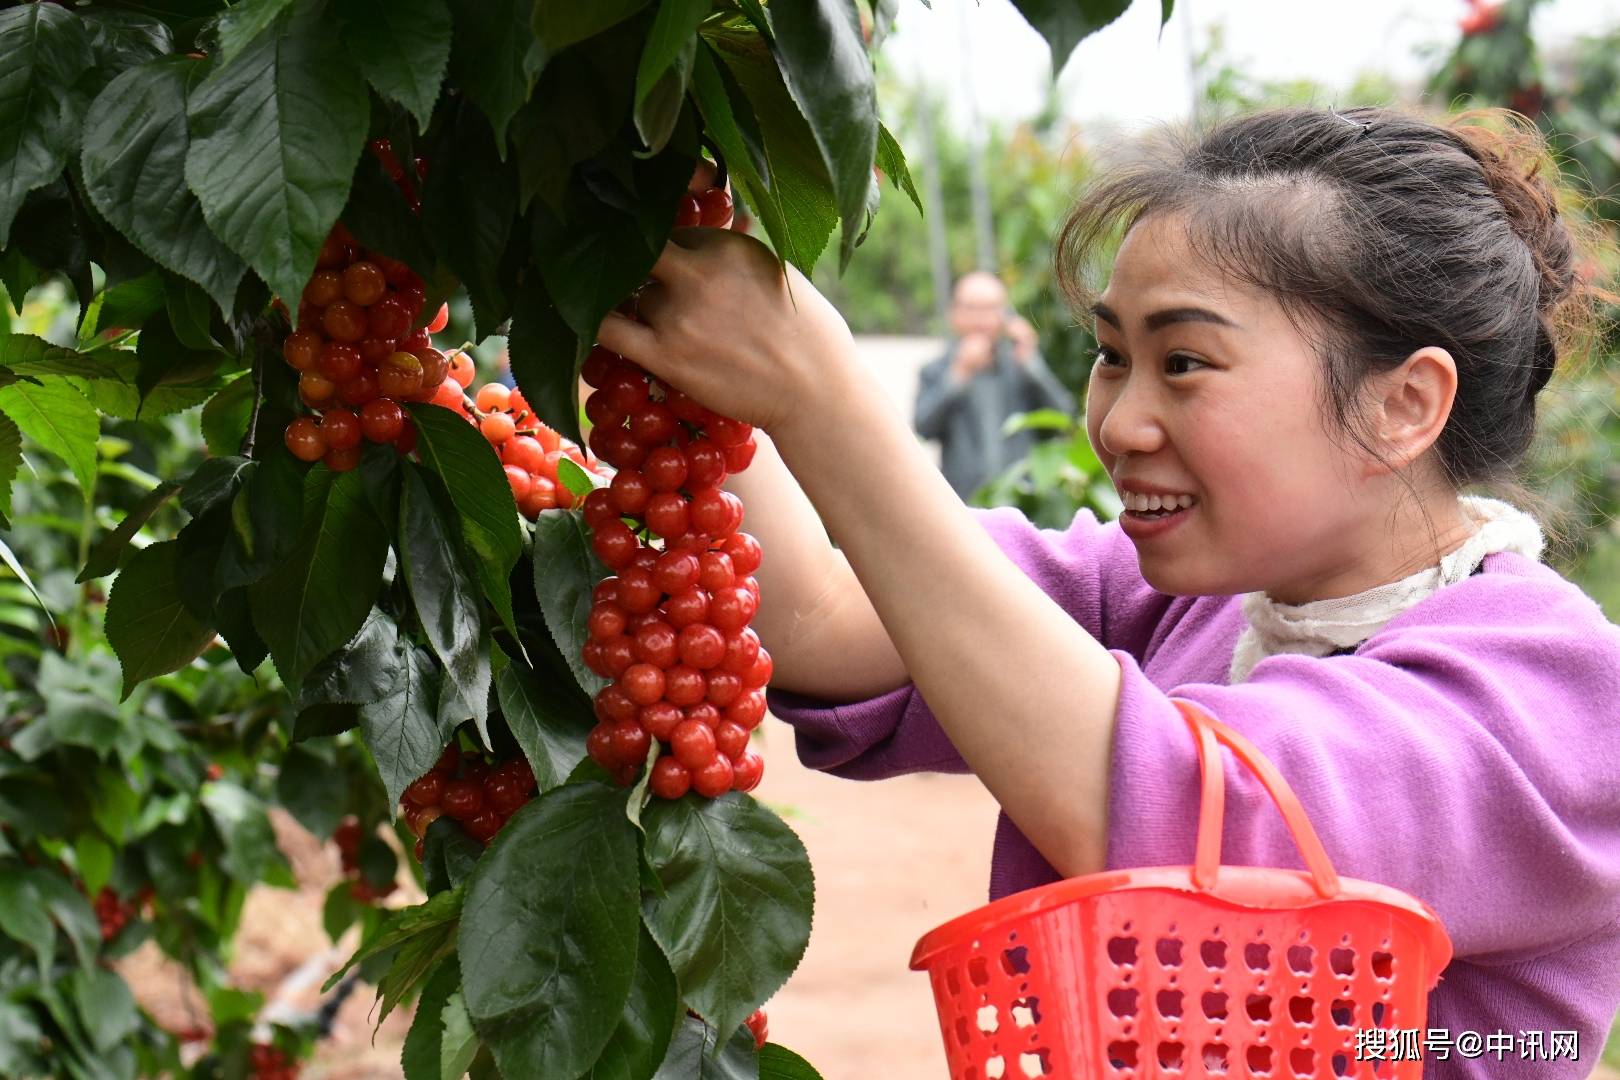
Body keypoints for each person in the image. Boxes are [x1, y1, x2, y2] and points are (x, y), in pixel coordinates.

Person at [598, 107, 1620, 1076]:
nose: (1121, 422)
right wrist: (665, 316)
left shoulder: (1551, 696)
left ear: (1403, 405)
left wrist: (818, 399)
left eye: (1183, 362)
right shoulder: (1172, 597)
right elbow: (824, 610)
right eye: (1110, 356)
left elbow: (1187, 823)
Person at [913, 272, 1075, 498]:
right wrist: (958, 375)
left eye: (990, 309)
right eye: (971, 308)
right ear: (954, 314)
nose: (980, 319)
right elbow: (922, 428)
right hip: (963, 503)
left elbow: (1064, 416)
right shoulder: (937, 370)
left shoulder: (1020, 366)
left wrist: (1031, 363)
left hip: (1022, 500)